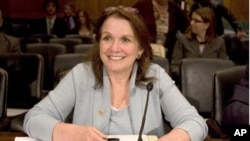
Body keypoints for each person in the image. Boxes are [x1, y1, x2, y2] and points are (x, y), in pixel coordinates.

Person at [23, 6, 208, 141]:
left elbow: (195, 122)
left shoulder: (156, 76)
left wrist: (174, 138)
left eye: (126, 40)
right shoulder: (81, 75)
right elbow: (33, 118)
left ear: (141, 49)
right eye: (108, 38)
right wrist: (67, 132)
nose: (114, 48)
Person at [170, 7, 228, 83]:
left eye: (196, 21)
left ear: (206, 25)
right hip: (187, 84)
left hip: (210, 85)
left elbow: (224, 69)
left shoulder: (219, 42)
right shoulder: (182, 40)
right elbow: (174, 66)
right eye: (192, 19)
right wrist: (188, 76)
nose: (191, 23)